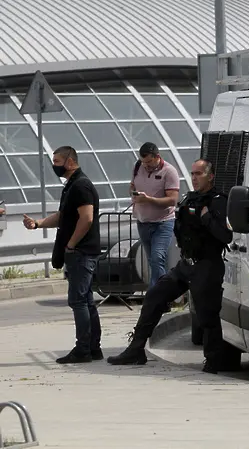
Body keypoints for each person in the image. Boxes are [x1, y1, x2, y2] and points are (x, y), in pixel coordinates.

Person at [107, 159, 233, 374]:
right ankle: (136, 349)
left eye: (199, 174)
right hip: (186, 264)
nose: (194, 178)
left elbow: (226, 235)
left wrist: (206, 218)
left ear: (210, 176)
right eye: (192, 174)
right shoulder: (190, 198)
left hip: (207, 264)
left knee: (206, 314)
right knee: (155, 295)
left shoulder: (218, 201)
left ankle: (214, 361)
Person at [22, 146, 102, 364]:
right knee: (85, 300)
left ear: (69, 161)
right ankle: (93, 348)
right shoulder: (72, 186)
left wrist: (71, 244)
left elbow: (86, 218)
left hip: (81, 252)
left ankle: (83, 349)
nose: (54, 165)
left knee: (78, 301)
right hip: (80, 251)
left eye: (57, 161)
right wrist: (38, 224)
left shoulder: (81, 185)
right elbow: (63, 216)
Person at [130, 142, 180, 292]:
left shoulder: (169, 171)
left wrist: (149, 199)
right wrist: (134, 194)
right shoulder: (138, 166)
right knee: (153, 261)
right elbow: (132, 185)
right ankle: (160, 295)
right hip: (143, 221)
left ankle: (156, 295)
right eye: (144, 162)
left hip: (162, 222)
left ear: (157, 157)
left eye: (149, 162)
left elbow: (172, 200)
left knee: (158, 257)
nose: (146, 166)